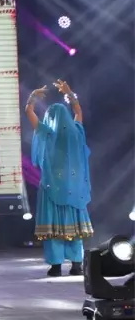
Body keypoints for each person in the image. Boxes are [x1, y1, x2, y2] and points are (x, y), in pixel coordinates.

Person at [26, 80, 93, 277]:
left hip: (51, 188)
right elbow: (78, 112)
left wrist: (33, 97)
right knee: (74, 226)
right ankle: (76, 265)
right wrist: (69, 93)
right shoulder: (77, 131)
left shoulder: (46, 133)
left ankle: (56, 266)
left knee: (53, 224)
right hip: (75, 190)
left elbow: (29, 113)